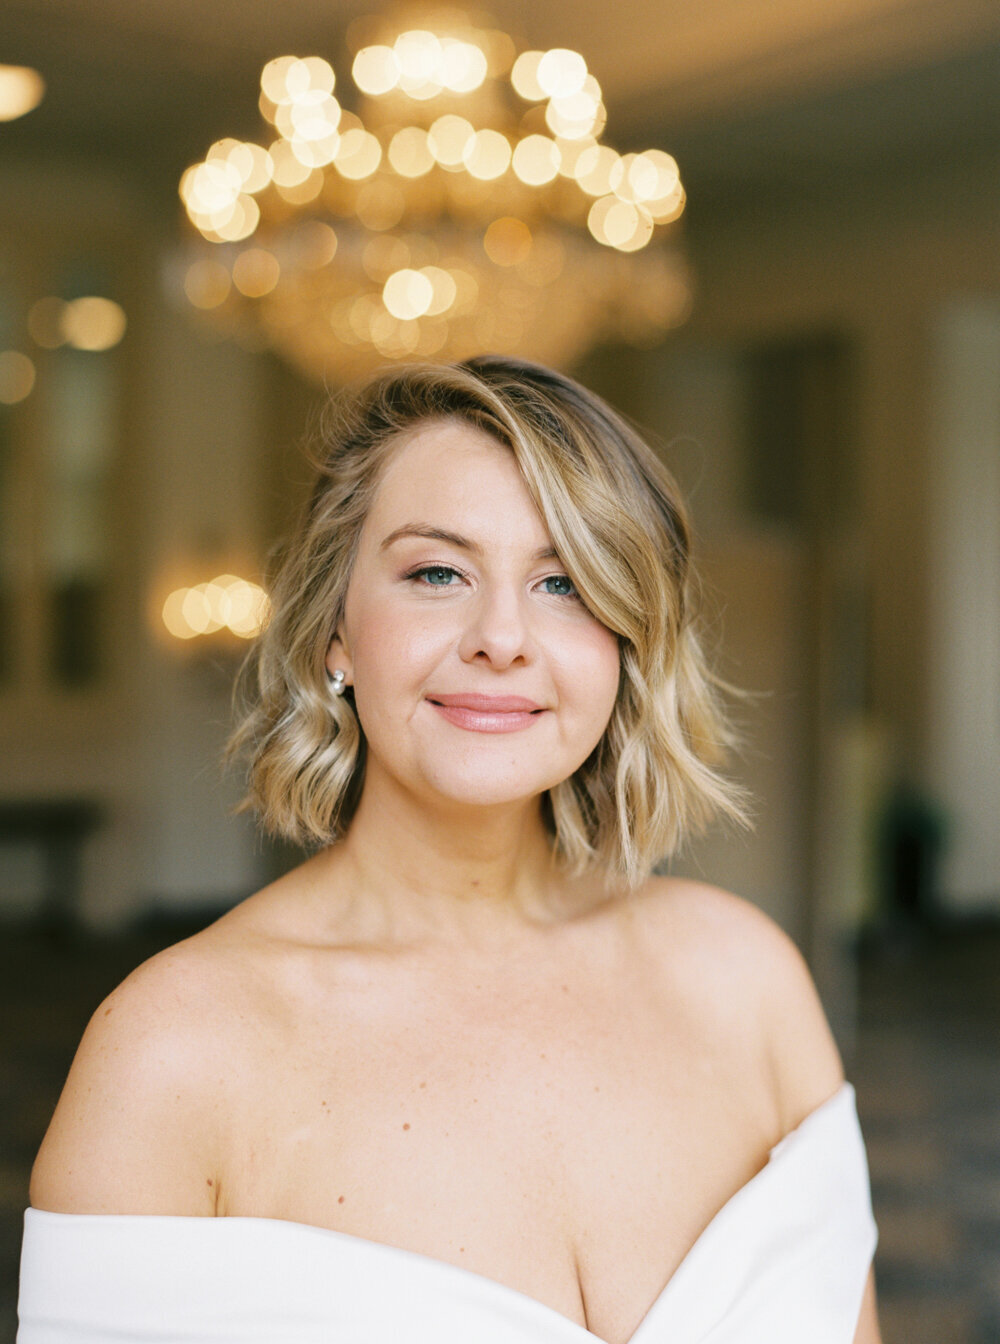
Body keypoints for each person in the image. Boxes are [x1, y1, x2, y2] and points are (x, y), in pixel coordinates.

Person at [18, 355, 880, 1343]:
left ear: (627, 644)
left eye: (564, 582)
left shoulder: (747, 977)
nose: (502, 636)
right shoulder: (171, 1051)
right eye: (437, 573)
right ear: (337, 632)